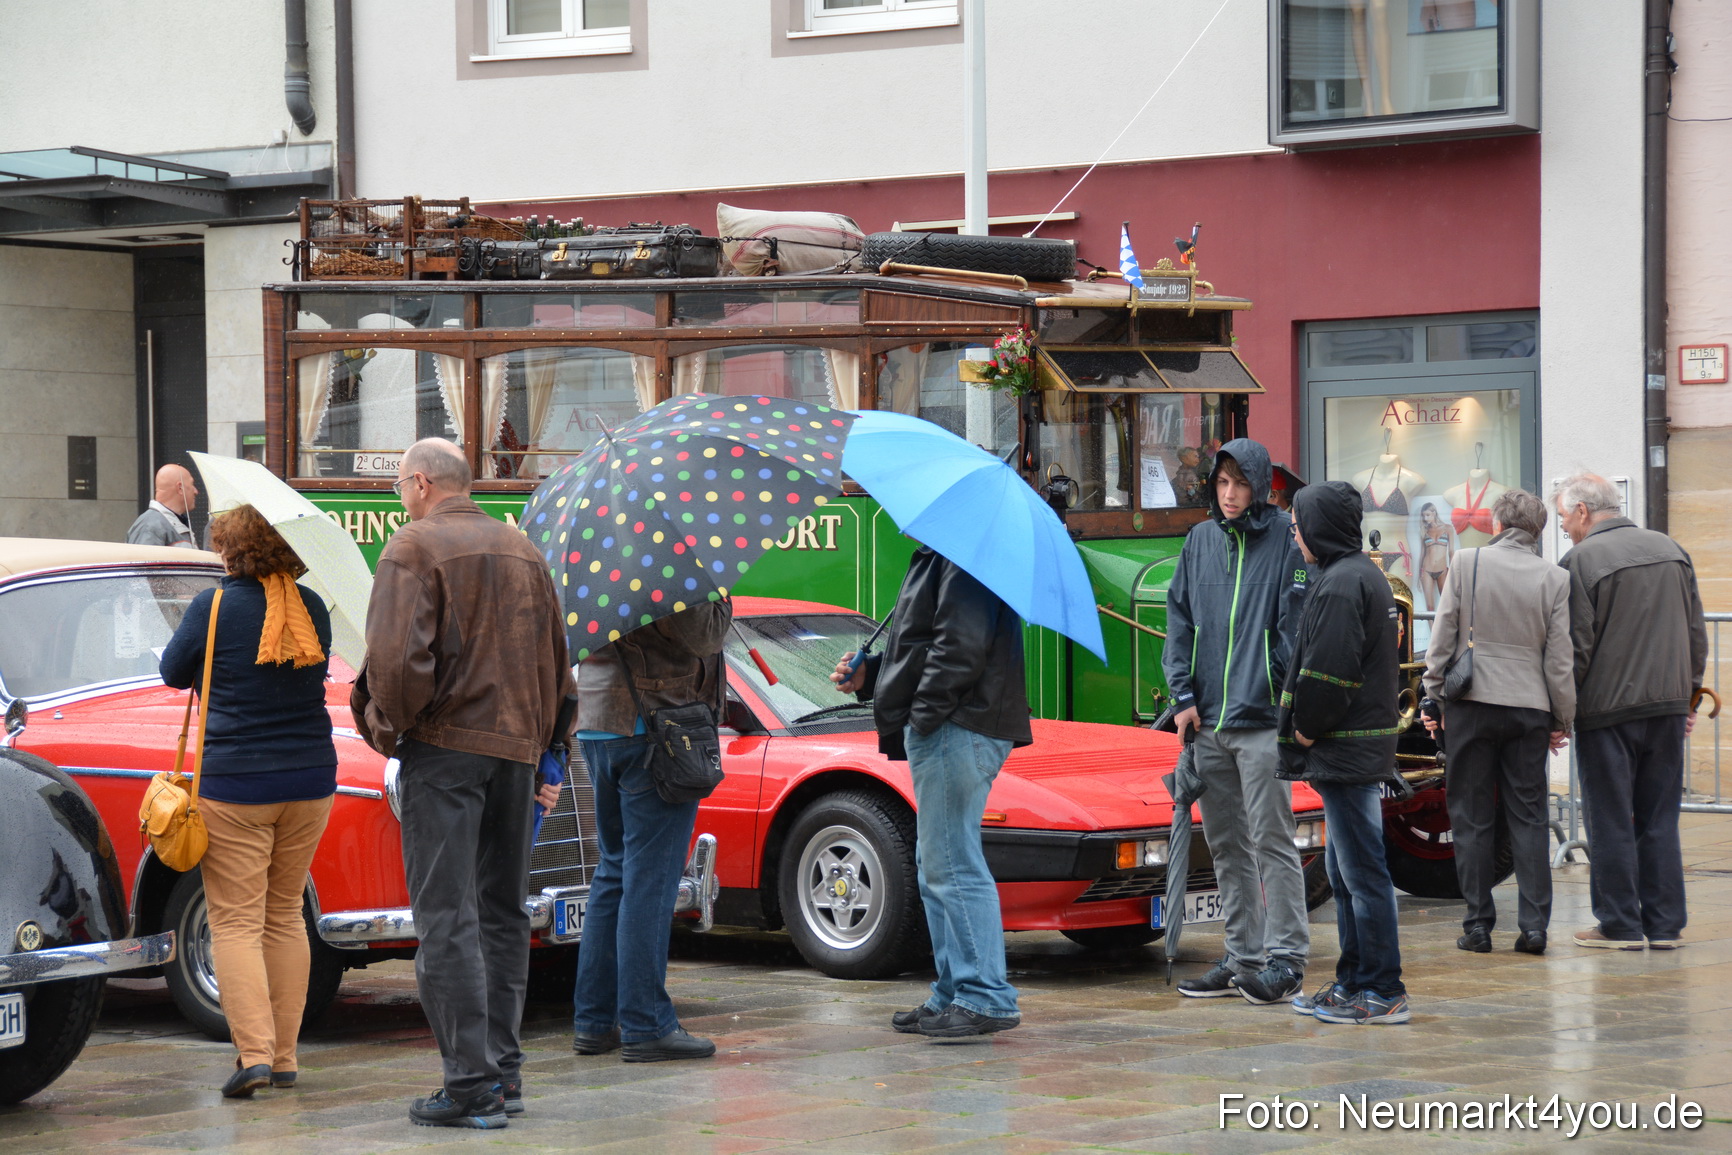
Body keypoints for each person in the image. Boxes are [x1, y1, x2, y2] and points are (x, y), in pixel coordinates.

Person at [352, 438, 575, 1129]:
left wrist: (389, 728)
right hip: (515, 751)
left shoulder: (413, 547)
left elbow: (395, 666)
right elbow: (556, 662)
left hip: (445, 750)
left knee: (447, 918)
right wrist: (547, 751)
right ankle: (501, 1075)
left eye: (398, 486)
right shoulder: (524, 550)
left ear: (420, 482)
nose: (398, 497)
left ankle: (472, 1083)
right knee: (504, 913)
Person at [158, 504, 336, 1098]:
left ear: (232, 552)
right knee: (285, 914)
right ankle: (285, 1058)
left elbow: (171, 673)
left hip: (235, 786)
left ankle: (254, 1055)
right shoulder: (310, 609)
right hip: (310, 782)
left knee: (234, 920)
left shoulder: (213, 607)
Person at [832, 545, 1032, 1038]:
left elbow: (959, 648)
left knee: (951, 862)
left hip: (956, 725)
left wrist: (923, 717)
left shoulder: (964, 554)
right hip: (954, 722)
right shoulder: (943, 554)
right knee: (936, 861)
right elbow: (923, 646)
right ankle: (953, 992)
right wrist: (872, 675)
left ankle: (984, 995)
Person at [1162, 439, 1310, 1005]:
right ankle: (1244, 954)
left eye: (1240, 484)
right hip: (1206, 724)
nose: (1229, 495)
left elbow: (1291, 634)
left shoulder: (1284, 543)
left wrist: (1273, 696)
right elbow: (1178, 622)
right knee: (1225, 844)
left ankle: (1288, 957)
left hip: (1260, 724)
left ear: (1260, 485)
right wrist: (1182, 696)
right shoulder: (1199, 541)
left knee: (1273, 841)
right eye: (1222, 484)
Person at [568, 600, 731, 1062]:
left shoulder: (592, 550)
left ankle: (595, 1021)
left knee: (615, 872)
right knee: (650, 881)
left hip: (598, 722)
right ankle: (646, 1024)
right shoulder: (662, 557)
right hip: (653, 724)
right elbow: (703, 634)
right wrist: (720, 594)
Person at [1554, 473, 1708, 950]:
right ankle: (1664, 925)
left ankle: (1620, 924)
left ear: (1583, 511)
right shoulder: (1671, 549)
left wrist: (1560, 711)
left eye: (1563, 517)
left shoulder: (1580, 560)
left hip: (1607, 712)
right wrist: (1689, 698)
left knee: (1611, 818)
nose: (1564, 527)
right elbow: (1695, 633)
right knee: (1660, 818)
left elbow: (1574, 649)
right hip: (1665, 707)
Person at [1277, 480, 1407, 1025]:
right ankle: (1354, 981)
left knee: (1361, 871)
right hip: (1353, 751)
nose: (1292, 529)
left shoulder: (1338, 584)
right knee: (1344, 867)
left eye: (1299, 520)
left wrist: (1303, 730)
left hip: (1344, 750)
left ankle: (1381, 989)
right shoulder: (1356, 575)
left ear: (1318, 527)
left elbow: (1328, 676)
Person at [1421, 489, 1573, 955]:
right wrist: (1562, 718)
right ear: (1537, 531)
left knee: (1470, 817)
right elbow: (1560, 660)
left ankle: (1478, 925)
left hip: (1472, 702)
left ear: (1495, 524)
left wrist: (1432, 693)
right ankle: (1534, 927)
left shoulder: (1467, 563)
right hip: (1529, 707)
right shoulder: (1555, 578)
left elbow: (1445, 632)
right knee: (1529, 817)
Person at [127, 463, 199, 548]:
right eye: (192, 484)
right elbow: (144, 560)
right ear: (180, 488)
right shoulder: (150, 525)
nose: (196, 491)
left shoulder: (158, 524)